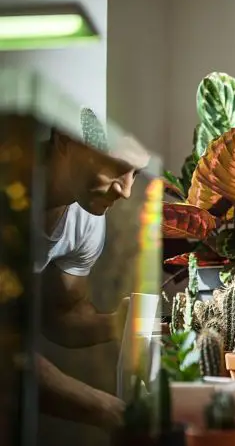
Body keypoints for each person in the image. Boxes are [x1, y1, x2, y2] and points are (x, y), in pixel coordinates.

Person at [33, 109, 149, 431]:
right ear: (66, 140)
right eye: (118, 168)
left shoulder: (85, 220)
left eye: (136, 174)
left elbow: (60, 316)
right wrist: (111, 412)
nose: (126, 191)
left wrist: (115, 324)